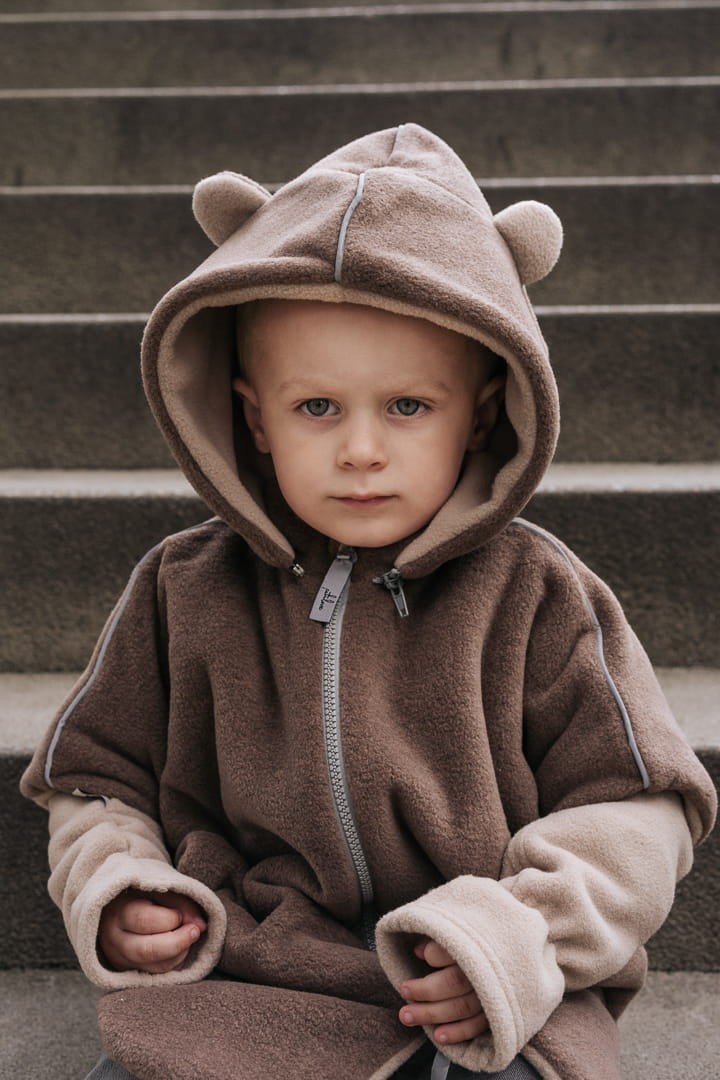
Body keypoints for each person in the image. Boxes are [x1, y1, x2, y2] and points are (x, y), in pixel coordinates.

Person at [19, 122, 716, 1080]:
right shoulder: (185, 589)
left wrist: (518, 935)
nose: (360, 450)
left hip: (474, 970)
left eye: (407, 407)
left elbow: (639, 808)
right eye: (317, 408)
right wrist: (121, 882)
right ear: (254, 417)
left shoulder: (538, 594)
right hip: (256, 975)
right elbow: (94, 777)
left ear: (479, 412)